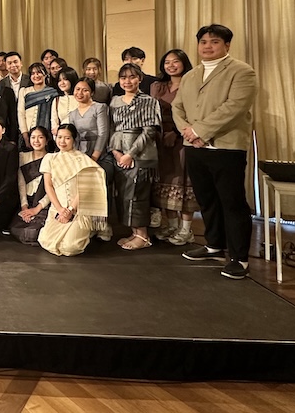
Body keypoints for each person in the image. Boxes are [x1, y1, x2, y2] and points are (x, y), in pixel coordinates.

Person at [173, 24, 258, 279]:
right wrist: (188, 132)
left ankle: (240, 258)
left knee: (232, 202)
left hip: (226, 147)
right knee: (207, 199)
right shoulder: (191, 75)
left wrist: (199, 130)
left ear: (227, 45)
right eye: (203, 42)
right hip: (194, 147)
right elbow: (177, 107)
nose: (207, 46)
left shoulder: (241, 71)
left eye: (214, 42)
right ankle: (214, 245)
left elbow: (234, 107)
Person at [109, 63, 162, 251]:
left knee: (138, 195)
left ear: (140, 78)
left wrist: (130, 154)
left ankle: (143, 236)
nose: (127, 81)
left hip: (140, 154)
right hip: (119, 152)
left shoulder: (149, 101)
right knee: (124, 195)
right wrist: (116, 152)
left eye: (132, 77)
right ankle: (134, 232)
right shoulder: (115, 101)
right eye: (123, 78)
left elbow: (149, 132)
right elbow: (112, 129)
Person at [151, 49, 200, 246]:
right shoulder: (157, 86)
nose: (171, 66)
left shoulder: (192, 84)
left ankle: (186, 230)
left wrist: (177, 133)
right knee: (165, 181)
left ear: (184, 63)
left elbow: (195, 114)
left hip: (183, 139)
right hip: (160, 139)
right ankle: (171, 225)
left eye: (175, 61)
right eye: (167, 62)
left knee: (183, 182)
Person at [37, 124, 109, 256]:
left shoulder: (83, 160)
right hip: (58, 209)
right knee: (45, 241)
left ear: (74, 139)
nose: (62, 141)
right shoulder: (50, 158)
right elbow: (48, 186)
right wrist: (60, 209)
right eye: (59, 137)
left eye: (67, 138)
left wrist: (70, 210)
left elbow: (86, 188)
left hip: (79, 209)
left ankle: (88, 231)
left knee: (70, 248)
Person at [69, 77, 112, 240]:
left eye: (85, 90)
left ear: (92, 92)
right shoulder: (72, 113)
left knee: (100, 188)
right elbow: (73, 137)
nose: (80, 93)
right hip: (81, 155)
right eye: (77, 89)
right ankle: (89, 225)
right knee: (83, 190)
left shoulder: (99, 108)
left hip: (98, 154)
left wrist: (94, 156)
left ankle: (104, 226)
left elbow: (103, 133)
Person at [9, 126, 54, 246]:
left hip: (43, 204)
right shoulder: (22, 157)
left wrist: (37, 209)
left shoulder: (52, 159)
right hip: (26, 202)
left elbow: (52, 189)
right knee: (15, 228)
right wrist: (24, 207)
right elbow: (21, 183)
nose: (36, 141)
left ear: (47, 140)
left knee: (34, 232)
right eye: (33, 137)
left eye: (40, 137)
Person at [18, 62, 60, 149]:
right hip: (28, 133)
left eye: (39, 72)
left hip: (47, 134)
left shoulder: (52, 92)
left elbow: (54, 115)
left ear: (45, 74)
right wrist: (26, 137)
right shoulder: (24, 91)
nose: (36, 76)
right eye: (33, 73)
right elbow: (21, 114)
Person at [51, 67, 80, 134]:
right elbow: (54, 124)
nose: (62, 83)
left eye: (65, 79)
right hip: (62, 136)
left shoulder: (80, 98)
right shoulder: (56, 100)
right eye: (59, 80)